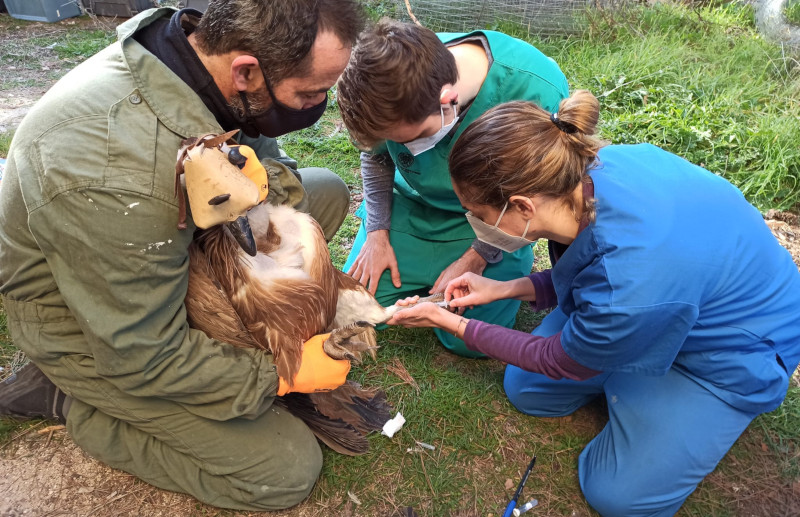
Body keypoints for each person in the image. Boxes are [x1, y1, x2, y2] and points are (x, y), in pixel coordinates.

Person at [0, 0, 365, 511]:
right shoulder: (112, 174)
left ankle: (216, 324)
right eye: (310, 92)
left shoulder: (198, 60)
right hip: (88, 320)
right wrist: (280, 375)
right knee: (282, 470)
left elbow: (262, 165)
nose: (318, 104)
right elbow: (143, 353)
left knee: (322, 192)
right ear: (247, 72)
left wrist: (259, 180)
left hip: (153, 247)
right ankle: (70, 399)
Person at [387, 91, 800, 516]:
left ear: (524, 206)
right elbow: (590, 271)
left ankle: (674, 392)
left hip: (732, 351)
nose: (474, 224)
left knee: (616, 496)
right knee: (526, 389)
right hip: (659, 298)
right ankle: (625, 359)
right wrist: (502, 288)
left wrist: (451, 323)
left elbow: (565, 357)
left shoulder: (629, 283)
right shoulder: (581, 172)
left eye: (476, 213)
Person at [336, 19, 569, 356]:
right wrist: (377, 232)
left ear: (448, 101)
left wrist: (478, 255)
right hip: (412, 207)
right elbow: (376, 157)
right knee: (353, 309)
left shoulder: (535, 92)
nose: (402, 147)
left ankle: (497, 264)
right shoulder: (388, 82)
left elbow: (528, 202)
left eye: (408, 139)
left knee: (472, 340)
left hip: (492, 220)